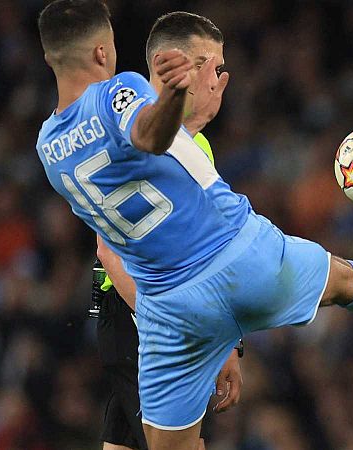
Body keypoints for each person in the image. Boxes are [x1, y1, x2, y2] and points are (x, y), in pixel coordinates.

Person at [35, 2, 353, 449]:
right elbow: (148, 136)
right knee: (344, 282)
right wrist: (171, 97)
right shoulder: (118, 91)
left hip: (170, 310)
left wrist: (186, 118)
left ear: (49, 57)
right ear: (103, 52)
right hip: (238, 255)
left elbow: (136, 173)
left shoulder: (48, 147)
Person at [92, 12, 241, 450]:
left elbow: (207, 254)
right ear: (178, 67)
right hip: (141, 313)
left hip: (147, 314)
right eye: (213, 67)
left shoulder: (196, 144)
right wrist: (172, 329)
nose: (221, 80)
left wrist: (228, 342)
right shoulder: (130, 136)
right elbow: (108, 250)